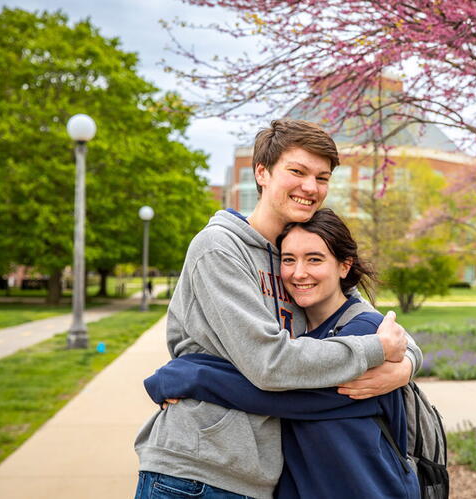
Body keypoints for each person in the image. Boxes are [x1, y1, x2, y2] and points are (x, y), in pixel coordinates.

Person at [133, 119, 422, 499]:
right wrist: (376, 352)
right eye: (297, 172)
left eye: (321, 177)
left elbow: (389, 334)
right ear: (262, 173)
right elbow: (269, 363)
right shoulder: (220, 248)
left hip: (259, 477)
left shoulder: (294, 260)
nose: (310, 187)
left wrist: (402, 368)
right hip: (196, 472)